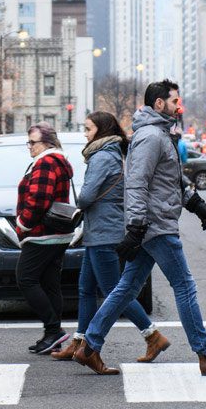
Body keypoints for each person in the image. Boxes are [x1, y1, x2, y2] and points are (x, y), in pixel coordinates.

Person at [75, 80, 206, 376]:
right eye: (174, 100)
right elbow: (137, 183)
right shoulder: (151, 137)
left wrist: (194, 203)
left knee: (126, 288)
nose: (179, 106)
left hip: (153, 223)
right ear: (158, 104)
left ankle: (89, 347)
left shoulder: (160, 133)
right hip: (156, 225)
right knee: (184, 286)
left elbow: (167, 180)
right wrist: (137, 225)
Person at [53, 111, 169, 364]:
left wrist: (82, 193)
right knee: (86, 289)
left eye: (88, 129)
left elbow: (85, 197)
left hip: (106, 232)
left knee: (114, 291)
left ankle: (152, 335)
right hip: (97, 231)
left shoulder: (103, 156)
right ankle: (78, 342)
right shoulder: (106, 153)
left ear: (101, 130)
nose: (85, 133)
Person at [14, 123, 76, 355]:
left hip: (42, 234)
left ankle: (54, 330)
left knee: (26, 278)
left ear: (48, 143)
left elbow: (39, 200)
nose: (29, 146)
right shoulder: (55, 161)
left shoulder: (47, 162)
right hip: (55, 234)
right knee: (50, 283)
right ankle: (53, 335)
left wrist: (22, 224)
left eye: (33, 142)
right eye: (28, 142)